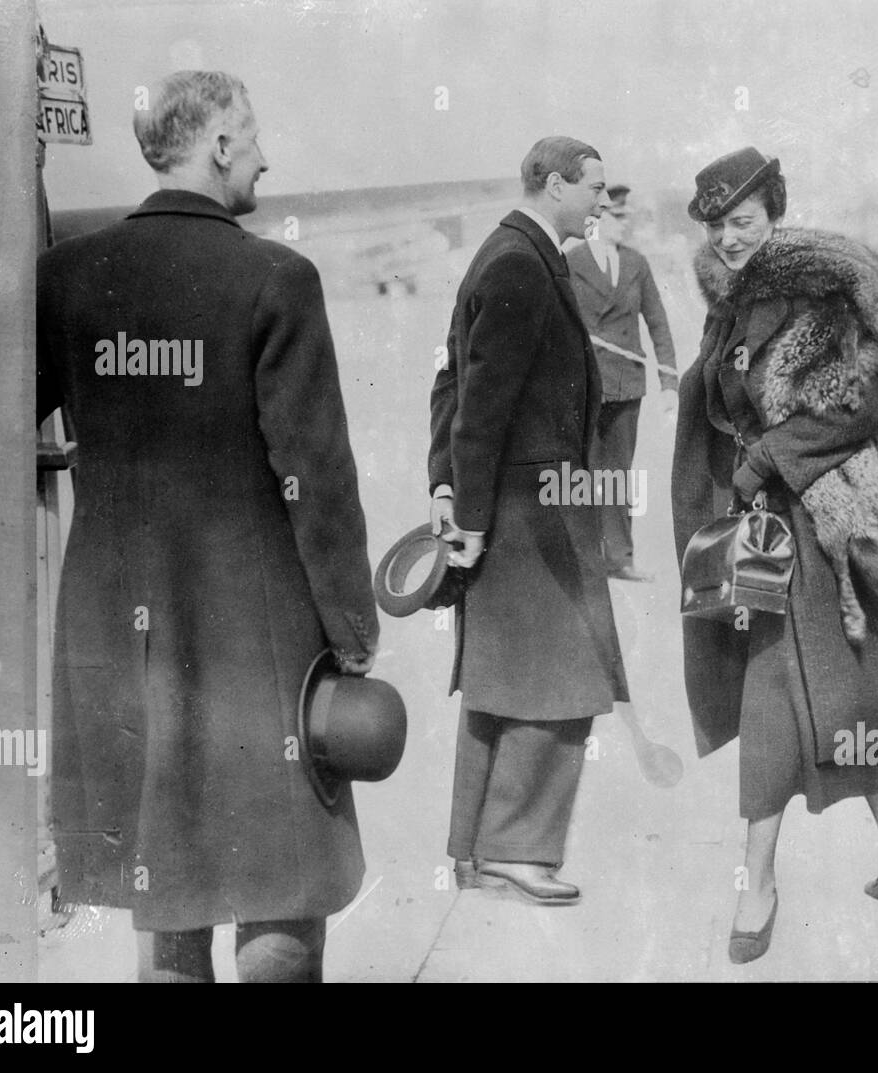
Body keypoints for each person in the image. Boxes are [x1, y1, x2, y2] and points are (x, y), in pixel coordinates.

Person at [36, 71, 378, 981]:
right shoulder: (277, 276)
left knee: (168, 887)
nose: (266, 155)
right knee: (280, 881)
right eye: (254, 136)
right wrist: (353, 629)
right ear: (219, 145)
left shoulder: (66, 274)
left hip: (112, 634)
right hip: (254, 631)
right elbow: (317, 474)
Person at [671, 147, 878, 965]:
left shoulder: (818, 288)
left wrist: (762, 459)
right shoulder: (729, 302)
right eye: (719, 226)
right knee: (812, 690)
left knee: (823, 689)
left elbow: (856, 404)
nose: (730, 238)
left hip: (829, 523)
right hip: (770, 533)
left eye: (744, 222)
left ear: (776, 212)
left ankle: (758, 883)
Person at [428, 136, 628, 905]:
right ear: (553, 186)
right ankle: (518, 851)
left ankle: (478, 850)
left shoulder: (509, 253)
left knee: (501, 679)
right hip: (527, 508)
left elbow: (449, 382)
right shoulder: (519, 262)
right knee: (563, 675)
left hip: (512, 501)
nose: (604, 205)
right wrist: (470, 514)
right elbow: (479, 403)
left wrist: (449, 491)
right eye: (595, 190)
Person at [568, 185, 678, 582]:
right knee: (580, 475)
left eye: (626, 215)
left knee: (618, 475)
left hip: (628, 386)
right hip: (584, 385)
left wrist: (669, 382)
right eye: (618, 216)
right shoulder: (570, 261)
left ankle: (620, 558)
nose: (625, 223)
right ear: (596, 220)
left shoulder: (636, 263)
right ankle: (584, 558)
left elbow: (658, 322)